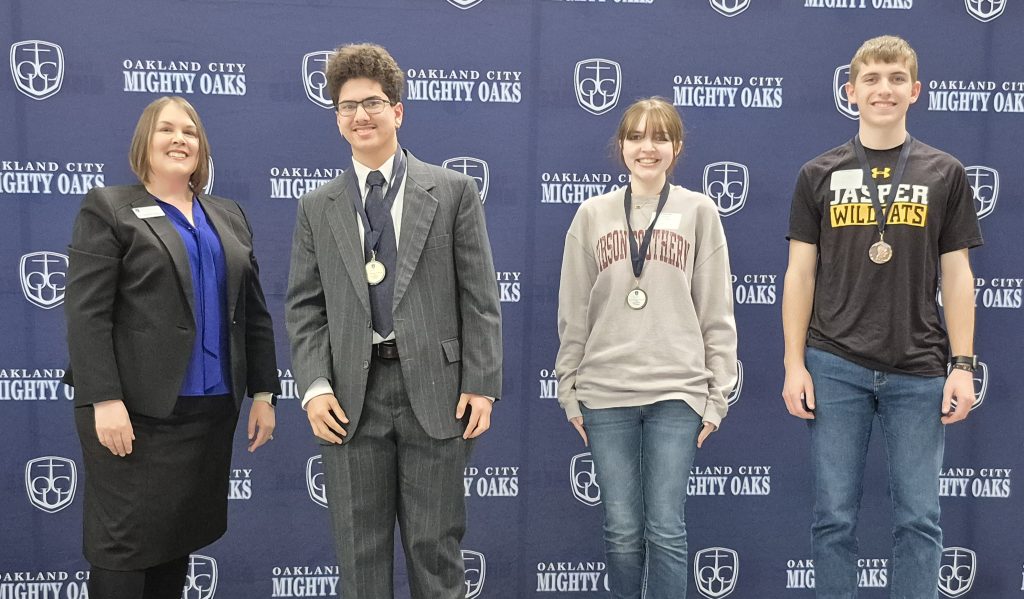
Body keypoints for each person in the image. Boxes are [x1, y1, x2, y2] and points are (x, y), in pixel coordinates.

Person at [285, 43, 502, 599]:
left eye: (373, 103)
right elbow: (305, 306)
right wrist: (314, 387)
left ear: (397, 111)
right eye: (347, 106)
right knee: (360, 559)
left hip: (438, 392)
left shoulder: (452, 191)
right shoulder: (316, 206)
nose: (361, 115)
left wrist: (481, 383)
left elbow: (480, 296)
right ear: (337, 119)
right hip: (349, 401)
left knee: (436, 553)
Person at [782, 35, 982, 598]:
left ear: (915, 91)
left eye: (896, 78)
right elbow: (799, 275)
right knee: (833, 518)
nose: (883, 89)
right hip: (833, 363)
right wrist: (794, 364)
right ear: (850, 91)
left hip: (919, 368)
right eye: (870, 79)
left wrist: (963, 364)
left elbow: (958, 276)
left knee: (919, 520)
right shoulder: (817, 173)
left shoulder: (945, 172)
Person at [63, 96, 281, 599]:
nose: (180, 139)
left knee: (173, 542)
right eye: (167, 129)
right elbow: (87, 313)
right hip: (132, 416)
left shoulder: (229, 215)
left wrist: (264, 393)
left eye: (190, 131)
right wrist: (104, 398)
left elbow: (252, 312)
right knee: (122, 550)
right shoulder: (109, 208)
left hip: (208, 414)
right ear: (145, 142)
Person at [556, 96, 737, 599]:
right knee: (621, 529)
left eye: (660, 137)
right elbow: (573, 311)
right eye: (636, 137)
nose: (647, 147)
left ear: (676, 147)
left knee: (666, 527)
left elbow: (716, 312)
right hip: (605, 391)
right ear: (621, 146)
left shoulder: (699, 211)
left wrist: (716, 396)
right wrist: (569, 389)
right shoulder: (592, 214)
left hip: (677, 392)